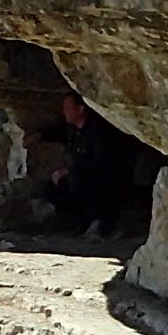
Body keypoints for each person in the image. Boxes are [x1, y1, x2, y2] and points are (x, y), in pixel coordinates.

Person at [41, 93, 146, 236]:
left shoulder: (99, 131)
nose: (63, 112)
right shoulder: (73, 130)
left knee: (78, 182)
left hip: (105, 181)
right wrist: (39, 135)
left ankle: (102, 221)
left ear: (80, 109)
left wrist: (69, 171)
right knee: (51, 189)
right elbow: (58, 132)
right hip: (82, 177)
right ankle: (81, 220)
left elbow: (101, 162)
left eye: (67, 108)